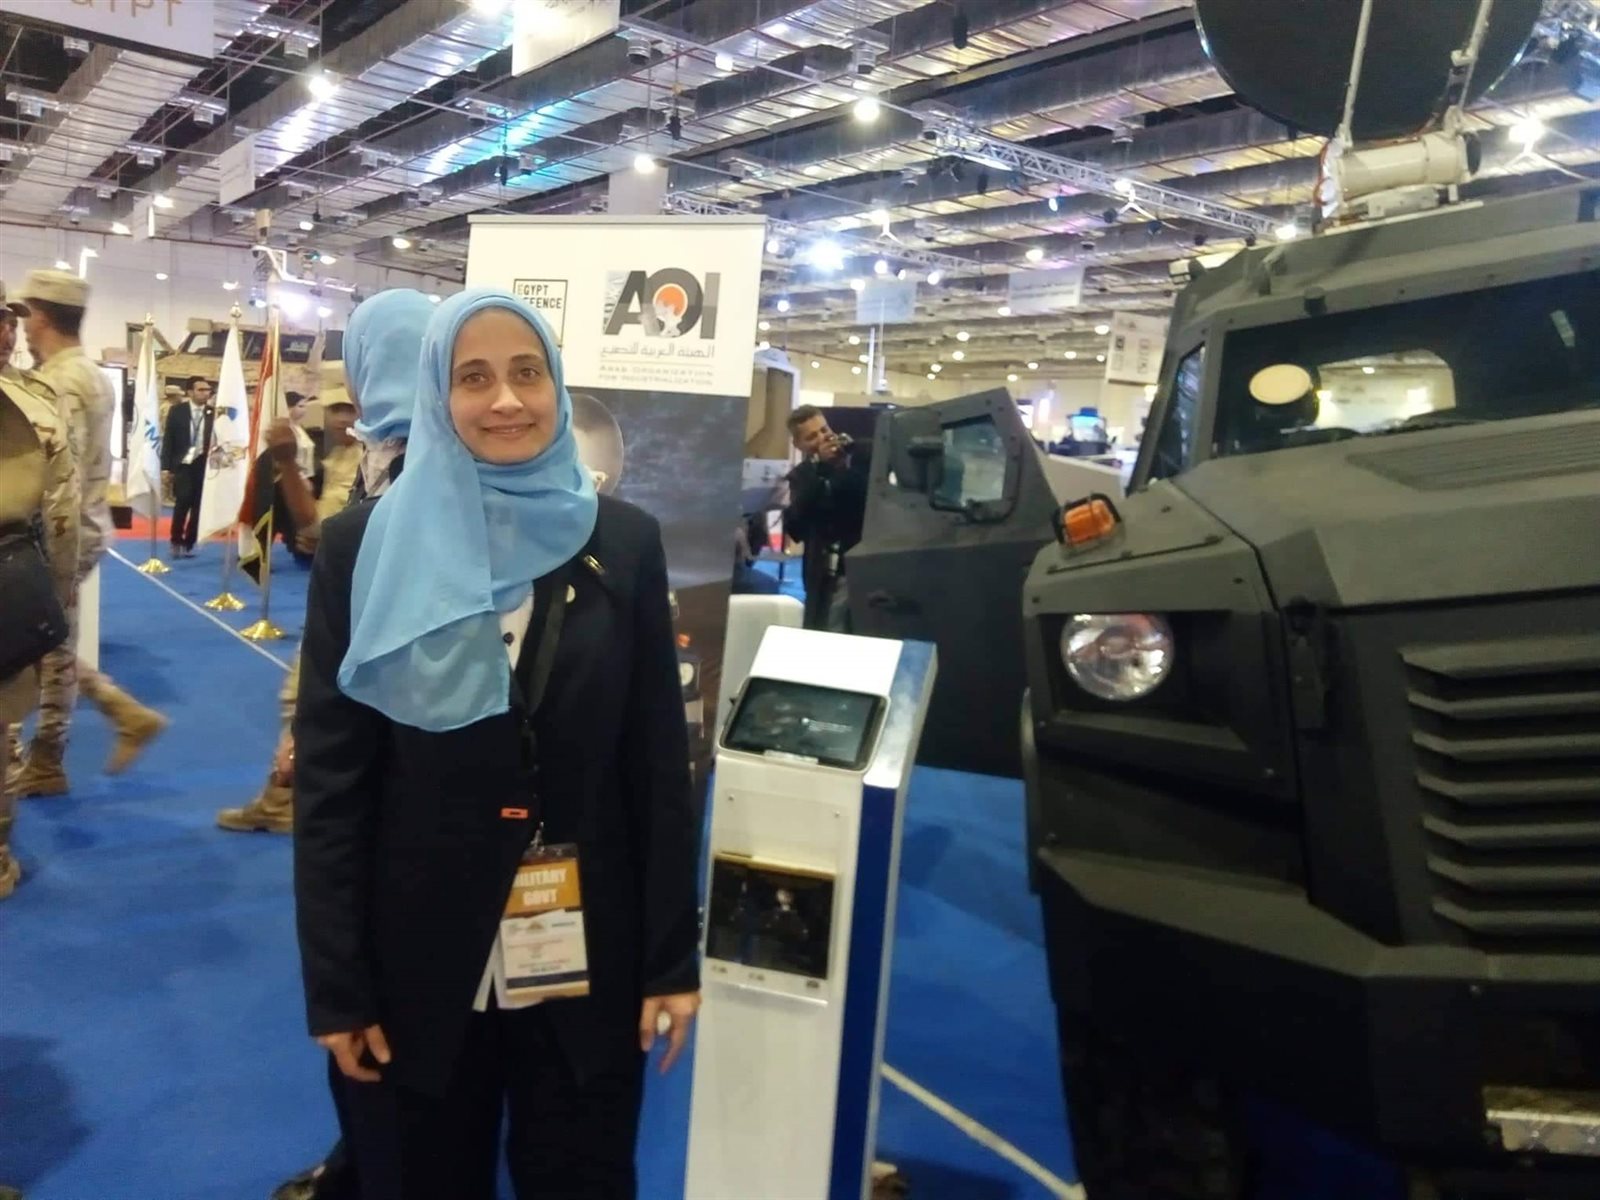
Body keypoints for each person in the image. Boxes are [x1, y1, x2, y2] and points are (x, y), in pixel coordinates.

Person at [294, 289, 701, 1198]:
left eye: (526, 373)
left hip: (585, 953)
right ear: (437, 396)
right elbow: (333, 785)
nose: (506, 399)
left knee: (581, 1177)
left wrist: (671, 959)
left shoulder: (624, 543)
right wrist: (338, 987)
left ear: (557, 384)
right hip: (414, 959)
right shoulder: (362, 548)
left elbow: (655, 769)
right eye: (472, 377)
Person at [219, 291, 430, 842]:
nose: (343, 413)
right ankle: (285, 800)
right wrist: (289, 466)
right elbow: (321, 534)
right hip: (357, 606)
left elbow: (348, 542)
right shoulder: (372, 447)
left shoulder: (422, 451)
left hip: (385, 616)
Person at [8, 270, 166, 798]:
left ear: (39, 317)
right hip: (79, 525)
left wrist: (50, 551)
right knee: (46, 642)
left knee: (38, 643)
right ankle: (120, 712)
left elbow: (60, 473)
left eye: (23, 316)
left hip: (58, 531)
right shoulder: (88, 373)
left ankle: (47, 758)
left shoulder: (61, 382)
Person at [0, 285, 79, 900]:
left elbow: (63, 516)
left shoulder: (39, 400)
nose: (8, 332)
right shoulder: (35, 405)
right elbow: (61, 519)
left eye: (8, 320)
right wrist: (55, 595)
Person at [782, 405, 872, 631]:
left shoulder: (857, 462)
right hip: (821, 574)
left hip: (857, 570)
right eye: (812, 436)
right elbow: (796, 527)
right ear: (799, 445)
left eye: (824, 429)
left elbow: (863, 499)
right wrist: (822, 470)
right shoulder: (802, 476)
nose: (823, 438)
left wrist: (843, 462)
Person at [161, 375, 216, 558]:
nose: (205, 393)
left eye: (208, 390)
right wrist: (166, 467)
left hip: (204, 463)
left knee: (199, 505)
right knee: (182, 501)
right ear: (190, 392)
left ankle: (189, 542)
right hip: (183, 463)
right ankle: (175, 540)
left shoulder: (213, 413)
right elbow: (168, 439)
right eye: (201, 390)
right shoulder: (177, 411)